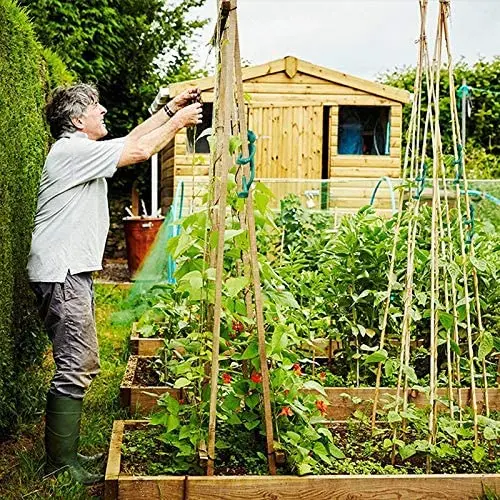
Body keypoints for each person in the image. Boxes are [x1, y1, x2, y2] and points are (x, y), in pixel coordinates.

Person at [27, 83, 202, 485]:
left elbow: (133, 140)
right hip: (64, 271)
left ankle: (65, 454)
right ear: (76, 120)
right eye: (95, 107)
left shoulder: (78, 150)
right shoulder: (72, 152)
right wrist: (180, 121)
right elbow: (139, 151)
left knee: (81, 361)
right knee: (77, 365)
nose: (103, 110)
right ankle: (59, 465)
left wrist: (168, 109)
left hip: (68, 270)